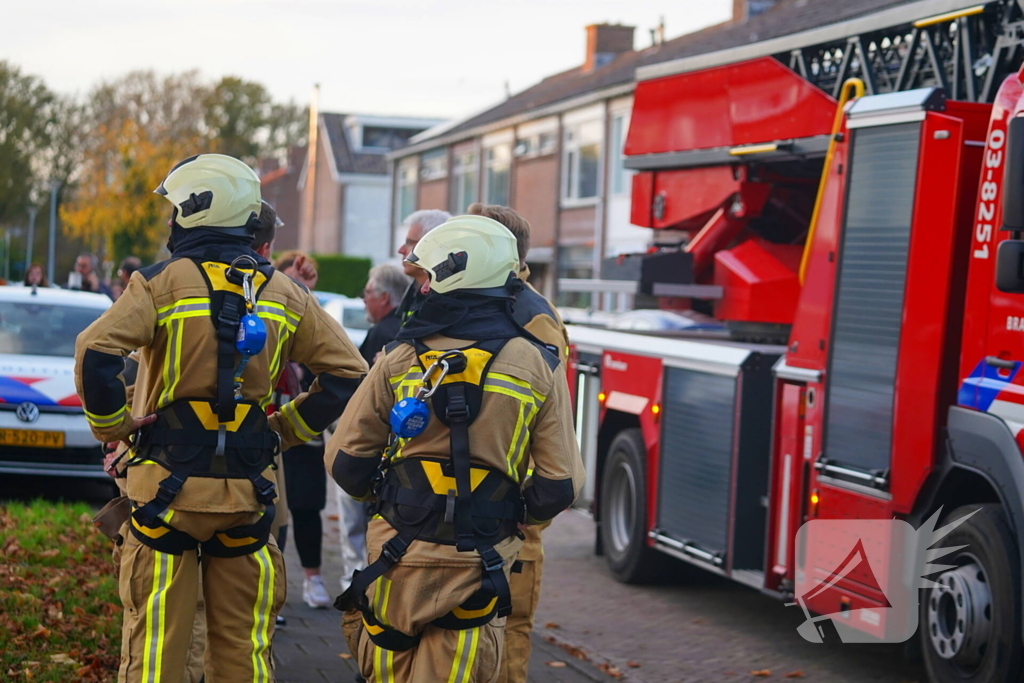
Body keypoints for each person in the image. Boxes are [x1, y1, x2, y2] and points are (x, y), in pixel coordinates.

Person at [75, 153, 368, 682]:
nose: (170, 221)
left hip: (166, 494)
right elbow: (349, 372)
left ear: (194, 209)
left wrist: (114, 428)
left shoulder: (159, 283)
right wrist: (284, 429)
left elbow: (95, 351)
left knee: (156, 652)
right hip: (247, 496)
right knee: (244, 651)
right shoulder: (284, 292)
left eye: (175, 209)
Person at [328, 214, 585, 683]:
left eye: (428, 276)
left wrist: (387, 503)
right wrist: (519, 516)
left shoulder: (400, 358)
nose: (422, 289)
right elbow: (560, 482)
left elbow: (345, 461)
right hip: (480, 560)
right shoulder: (536, 363)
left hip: (396, 558)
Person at [466, 203, 569, 683]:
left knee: (506, 632)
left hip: (508, 513)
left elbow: (548, 424)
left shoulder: (533, 316)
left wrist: (526, 512)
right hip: (460, 504)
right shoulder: (475, 298)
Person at [393, 209, 450, 322]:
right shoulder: (413, 292)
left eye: (410, 243)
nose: (401, 250)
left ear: (433, 247)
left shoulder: (444, 302)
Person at [359, 264, 411, 366]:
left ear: (384, 298)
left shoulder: (380, 332)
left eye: (368, 293)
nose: (365, 300)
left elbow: (365, 377)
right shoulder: (412, 326)